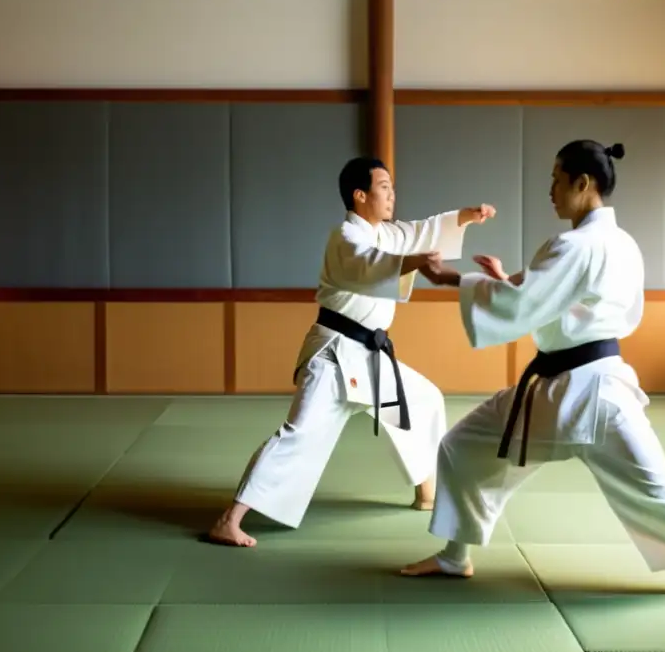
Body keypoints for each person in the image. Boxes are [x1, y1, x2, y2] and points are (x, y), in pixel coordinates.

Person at [400, 140, 665, 609]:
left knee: (660, 486)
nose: (550, 189)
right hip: (549, 391)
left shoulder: (576, 243)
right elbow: (558, 296)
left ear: (582, 183)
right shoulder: (617, 242)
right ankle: (454, 555)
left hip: (598, 394)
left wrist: (449, 278)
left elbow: (535, 301)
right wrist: (507, 281)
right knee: (462, 447)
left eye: (556, 179)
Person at [209, 156, 496, 547]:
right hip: (334, 352)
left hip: (370, 356)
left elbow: (424, 231)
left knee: (424, 400)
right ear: (360, 196)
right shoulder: (346, 238)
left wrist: (464, 216)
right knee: (300, 434)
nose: (391, 195)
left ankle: (426, 492)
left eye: (392, 187)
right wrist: (417, 261)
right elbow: (369, 266)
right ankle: (230, 519)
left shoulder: (389, 234)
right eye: (383, 188)